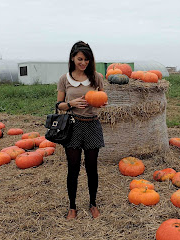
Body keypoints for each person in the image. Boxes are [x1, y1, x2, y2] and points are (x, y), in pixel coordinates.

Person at [56, 41, 106, 220]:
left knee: (92, 168)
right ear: (72, 58)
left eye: (86, 59)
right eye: (80, 59)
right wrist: (71, 104)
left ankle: (93, 203)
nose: (83, 63)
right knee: (73, 168)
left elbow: (102, 96)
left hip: (92, 125)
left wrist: (101, 102)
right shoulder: (65, 79)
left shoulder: (96, 77)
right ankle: (72, 206)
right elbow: (59, 105)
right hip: (73, 126)